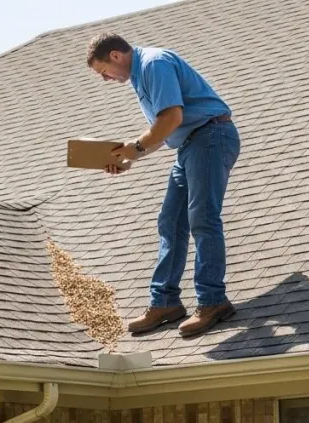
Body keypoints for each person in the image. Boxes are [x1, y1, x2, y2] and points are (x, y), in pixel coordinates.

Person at [87, 33, 241, 338]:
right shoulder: (140, 75)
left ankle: (213, 301)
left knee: (202, 219)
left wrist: (135, 148)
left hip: (210, 137)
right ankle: (165, 302)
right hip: (190, 144)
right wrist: (128, 158)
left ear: (116, 56)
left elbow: (172, 116)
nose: (105, 79)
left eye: (103, 71)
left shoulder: (154, 64)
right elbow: (165, 130)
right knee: (170, 222)